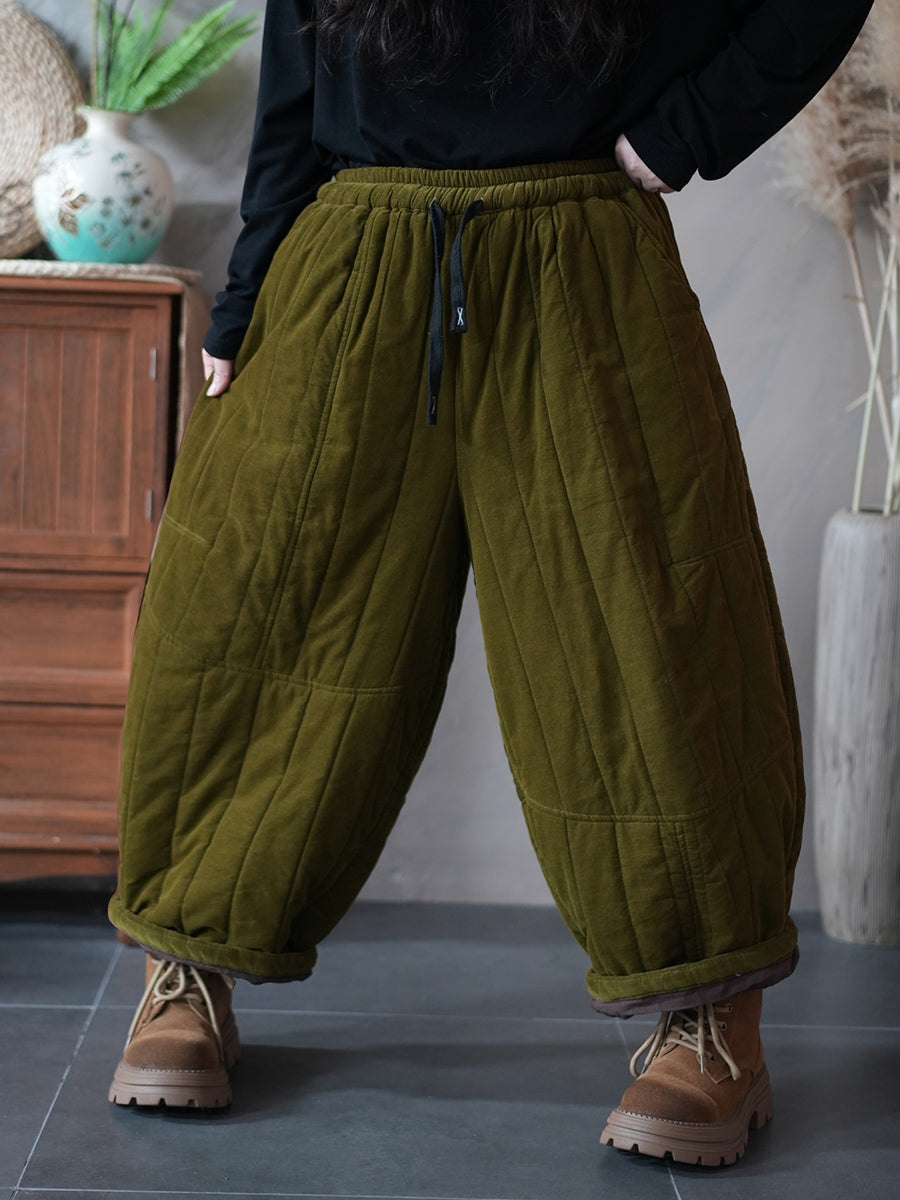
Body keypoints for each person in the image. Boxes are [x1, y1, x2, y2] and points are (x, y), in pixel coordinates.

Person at [106, 0, 873, 1168]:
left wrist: (688, 130)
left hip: (583, 261)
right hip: (348, 252)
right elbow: (296, 73)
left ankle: (709, 1017)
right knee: (248, 618)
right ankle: (187, 970)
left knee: (650, 636)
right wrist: (249, 287)